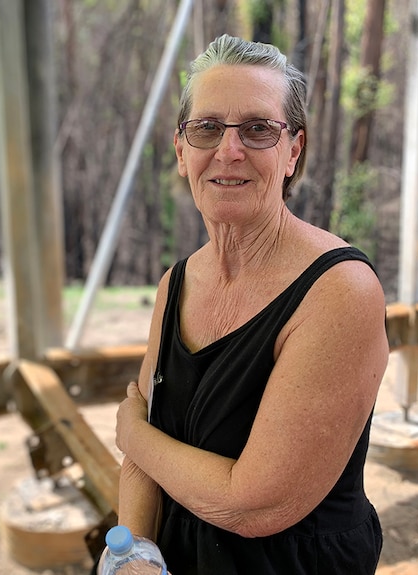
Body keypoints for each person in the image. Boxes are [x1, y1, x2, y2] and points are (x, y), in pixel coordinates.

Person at [111, 34, 389, 574]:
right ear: (181, 149)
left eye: (259, 129)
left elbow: (253, 502)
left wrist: (131, 434)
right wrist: (132, 552)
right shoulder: (176, 283)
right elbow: (141, 462)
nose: (229, 150)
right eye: (207, 128)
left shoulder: (339, 290)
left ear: (293, 151)